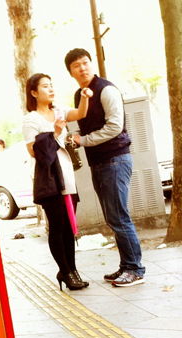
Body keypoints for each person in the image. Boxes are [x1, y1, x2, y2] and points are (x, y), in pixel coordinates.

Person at [65, 48, 146, 287]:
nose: (82, 68)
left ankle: (136, 269)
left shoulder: (106, 89)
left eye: (85, 62)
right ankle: (126, 265)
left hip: (115, 159)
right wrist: (78, 136)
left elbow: (114, 127)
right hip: (99, 161)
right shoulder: (79, 94)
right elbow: (91, 126)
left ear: (91, 64)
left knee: (119, 217)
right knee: (113, 217)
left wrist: (83, 140)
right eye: (76, 66)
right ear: (71, 72)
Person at [22, 73, 92, 291]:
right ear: (34, 92)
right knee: (57, 225)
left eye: (51, 85)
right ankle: (65, 270)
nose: (50, 89)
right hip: (49, 178)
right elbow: (34, 151)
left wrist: (85, 96)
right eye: (45, 86)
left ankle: (72, 270)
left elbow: (80, 113)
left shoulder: (60, 111)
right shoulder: (31, 119)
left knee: (69, 225)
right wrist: (55, 133)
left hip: (67, 174)